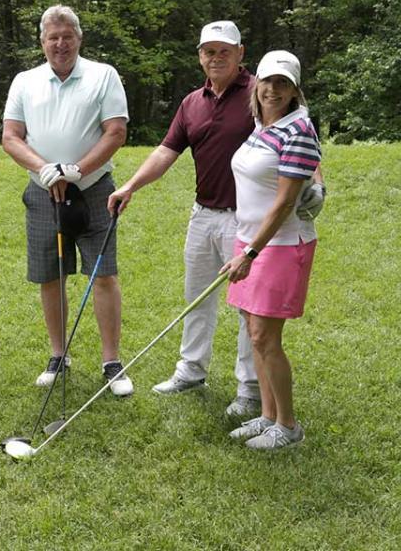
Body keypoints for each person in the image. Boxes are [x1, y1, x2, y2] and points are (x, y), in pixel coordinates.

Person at [107, 21, 325, 417]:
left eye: (225, 51)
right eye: (209, 51)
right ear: (199, 56)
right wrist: (130, 186)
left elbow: (301, 136)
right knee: (197, 297)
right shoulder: (194, 102)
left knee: (251, 313)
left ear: (241, 53)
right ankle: (191, 370)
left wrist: (318, 184)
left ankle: (250, 389)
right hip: (203, 214)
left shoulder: (263, 90)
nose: (216, 58)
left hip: (249, 222)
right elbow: (166, 151)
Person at [2, 5, 133, 396]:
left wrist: (75, 169)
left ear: (79, 38)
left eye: (67, 37)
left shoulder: (103, 75)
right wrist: (45, 169)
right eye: (53, 37)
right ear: (42, 41)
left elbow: (116, 132)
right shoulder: (25, 81)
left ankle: (111, 361)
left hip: (93, 189)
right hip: (43, 192)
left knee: (103, 274)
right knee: (50, 275)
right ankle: (58, 355)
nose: (61, 44)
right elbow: (11, 136)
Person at [223, 50, 321, 449]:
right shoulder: (263, 126)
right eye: (268, 81)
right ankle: (267, 415)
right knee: (254, 333)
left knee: (265, 336)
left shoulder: (298, 129)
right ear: (256, 84)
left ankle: (288, 426)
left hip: (279, 245)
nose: (273, 90)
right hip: (251, 240)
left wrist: (249, 254)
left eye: (283, 83)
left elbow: (284, 204)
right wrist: (246, 247)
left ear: (295, 90)